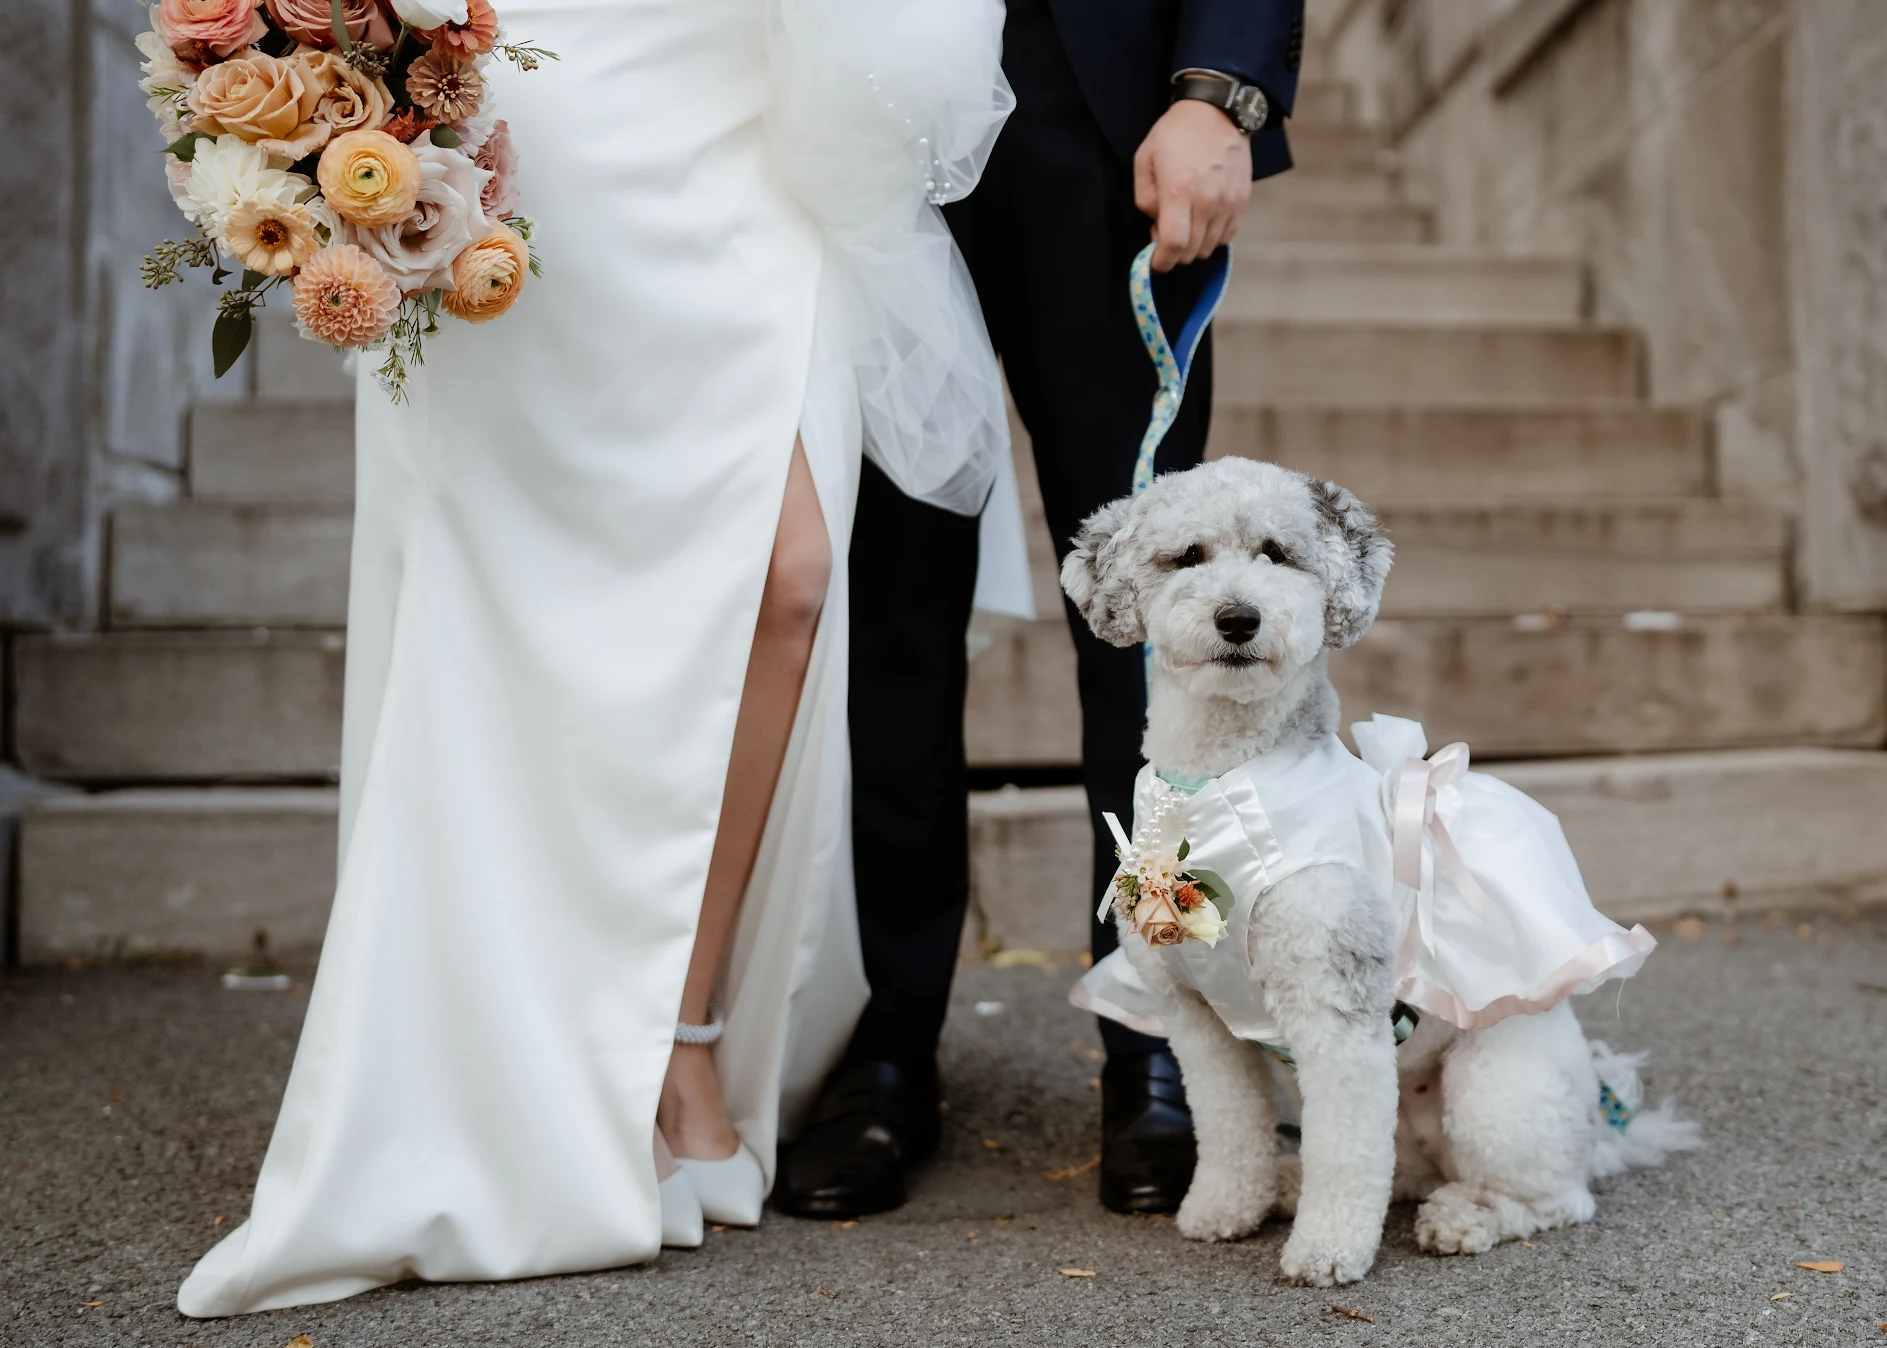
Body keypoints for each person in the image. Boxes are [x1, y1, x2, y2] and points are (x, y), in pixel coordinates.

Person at [176, 0, 1013, 1316]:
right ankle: (522, 1065)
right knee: (521, 617)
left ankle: (684, 1026)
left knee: (786, 577)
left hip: (741, 132)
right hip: (537, 130)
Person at [778, 0, 1307, 1220]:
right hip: (867, 134)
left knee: (1152, 639)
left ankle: (1163, 1040)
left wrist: (1219, 85)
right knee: (886, 623)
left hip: (1105, 116)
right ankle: (885, 1041)